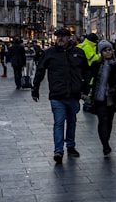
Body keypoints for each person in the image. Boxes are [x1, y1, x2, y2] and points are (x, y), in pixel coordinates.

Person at [31, 27, 91, 163]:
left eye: (63, 36)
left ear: (69, 38)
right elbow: (40, 70)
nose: (60, 38)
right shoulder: (50, 53)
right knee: (59, 122)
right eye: (58, 36)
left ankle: (70, 146)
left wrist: (85, 89)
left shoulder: (78, 52)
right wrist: (35, 89)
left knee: (72, 121)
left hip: (74, 94)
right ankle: (58, 151)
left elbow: (87, 72)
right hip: (57, 95)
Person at [88, 40, 116, 157]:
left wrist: (114, 89)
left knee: (109, 122)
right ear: (101, 53)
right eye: (105, 50)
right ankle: (105, 145)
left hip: (111, 98)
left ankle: (106, 141)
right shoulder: (96, 65)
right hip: (99, 98)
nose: (108, 52)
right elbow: (89, 78)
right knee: (103, 119)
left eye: (109, 50)